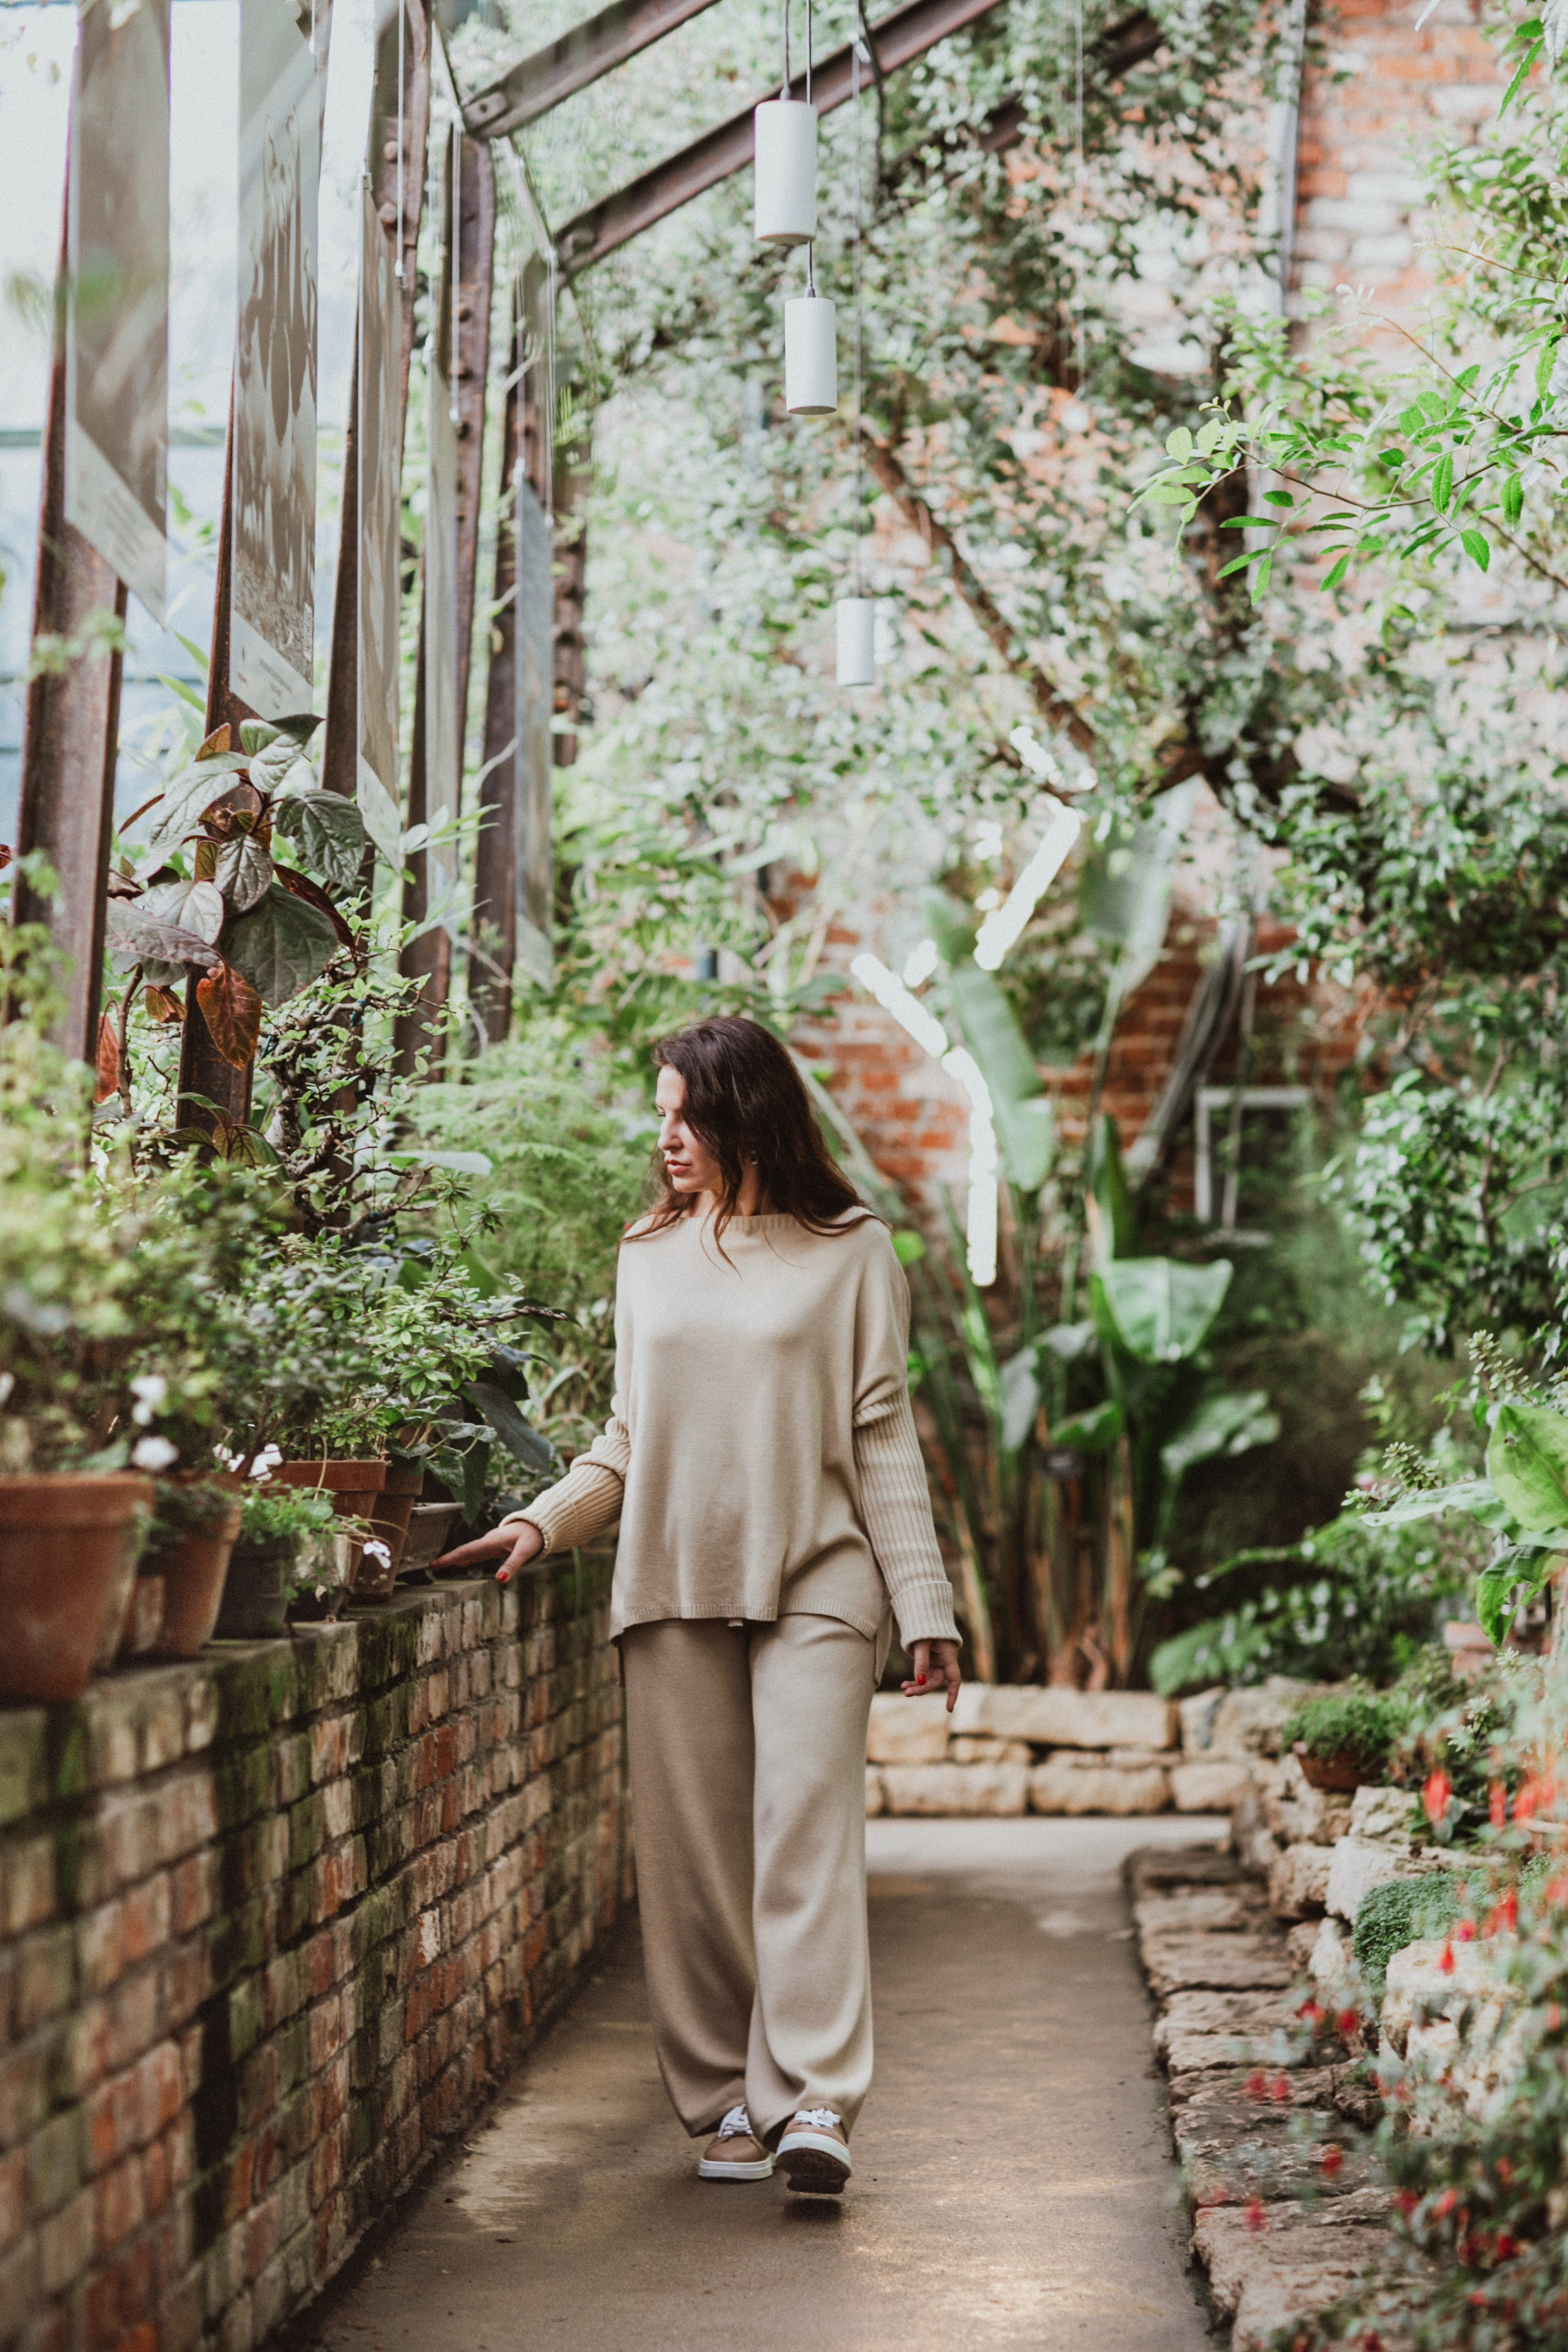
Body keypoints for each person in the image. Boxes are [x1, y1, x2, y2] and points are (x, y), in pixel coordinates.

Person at [437, 1016, 962, 2195]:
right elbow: (629, 1436)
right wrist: (541, 1520)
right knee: (697, 1861)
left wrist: (923, 1604)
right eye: (661, 1112)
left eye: (690, 1114)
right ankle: (730, 2099)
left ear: (749, 1113)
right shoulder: (647, 1251)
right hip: (673, 1575)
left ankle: (816, 2098)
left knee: (802, 1836)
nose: (667, 1136)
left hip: (822, 1575)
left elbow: (882, 1439)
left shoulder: (852, 1251)